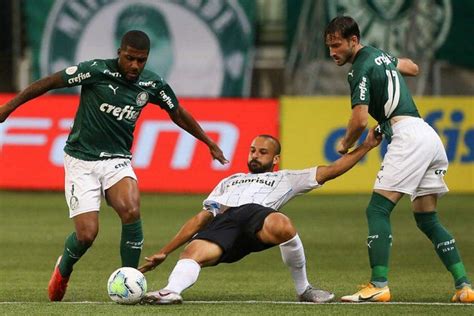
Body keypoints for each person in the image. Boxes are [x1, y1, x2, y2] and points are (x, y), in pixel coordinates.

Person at [0, 30, 228, 301]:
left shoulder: (152, 84)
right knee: (87, 235)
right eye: (130, 58)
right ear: (119, 52)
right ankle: (63, 269)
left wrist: (207, 142)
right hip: (81, 160)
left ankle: (129, 280)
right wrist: (8, 108)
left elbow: (176, 111)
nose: (135, 65)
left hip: (117, 160)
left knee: (131, 209)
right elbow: (49, 82)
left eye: (141, 60)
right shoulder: (95, 71)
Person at [137, 128, 382, 304]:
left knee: (282, 223)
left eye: (262, 152)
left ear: (275, 159)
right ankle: (170, 291)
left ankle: (304, 289)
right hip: (226, 222)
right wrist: (165, 251)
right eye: (252, 150)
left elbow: (331, 170)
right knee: (193, 254)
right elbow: (202, 217)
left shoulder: (286, 178)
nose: (255, 155)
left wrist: (367, 146)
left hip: (259, 219)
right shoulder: (229, 180)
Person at [324, 16, 473, 303]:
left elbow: (359, 119)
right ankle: (464, 286)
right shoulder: (379, 55)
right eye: (329, 46)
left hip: (408, 136)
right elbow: (413, 68)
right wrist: (390, 65)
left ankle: (378, 284)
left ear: (353, 41)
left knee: (377, 210)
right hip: (428, 134)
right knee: (427, 218)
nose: (332, 52)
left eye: (337, 45)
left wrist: (345, 144)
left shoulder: (359, 69)